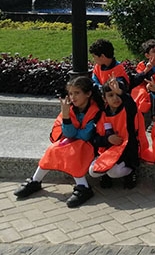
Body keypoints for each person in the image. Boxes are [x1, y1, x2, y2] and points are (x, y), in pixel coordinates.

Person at [13, 76, 103, 207]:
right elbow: (69, 134)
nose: (73, 97)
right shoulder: (69, 109)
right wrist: (66, 117)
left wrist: (74, 132)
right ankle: (35, 181)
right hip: (73, 142)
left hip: (91, 146)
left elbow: (85, 135)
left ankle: (84, 187)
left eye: (77, 93)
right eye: (70, 93)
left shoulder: (96, 111)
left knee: (73, 151)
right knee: (53, 149)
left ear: (88, 94)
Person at [88, 78, 140, 189]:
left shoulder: (128, 110)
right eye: (111, 95)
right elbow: (94, 139)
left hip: (126, 152)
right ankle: (105, 175)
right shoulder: (100, 114)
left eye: (118, 94)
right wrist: (107, 140)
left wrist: (121, 93)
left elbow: (132, 105)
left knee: (113, 172)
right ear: (104, 98)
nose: (115, 98)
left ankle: (130, 172)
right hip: (107, 151)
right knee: (92, 171)